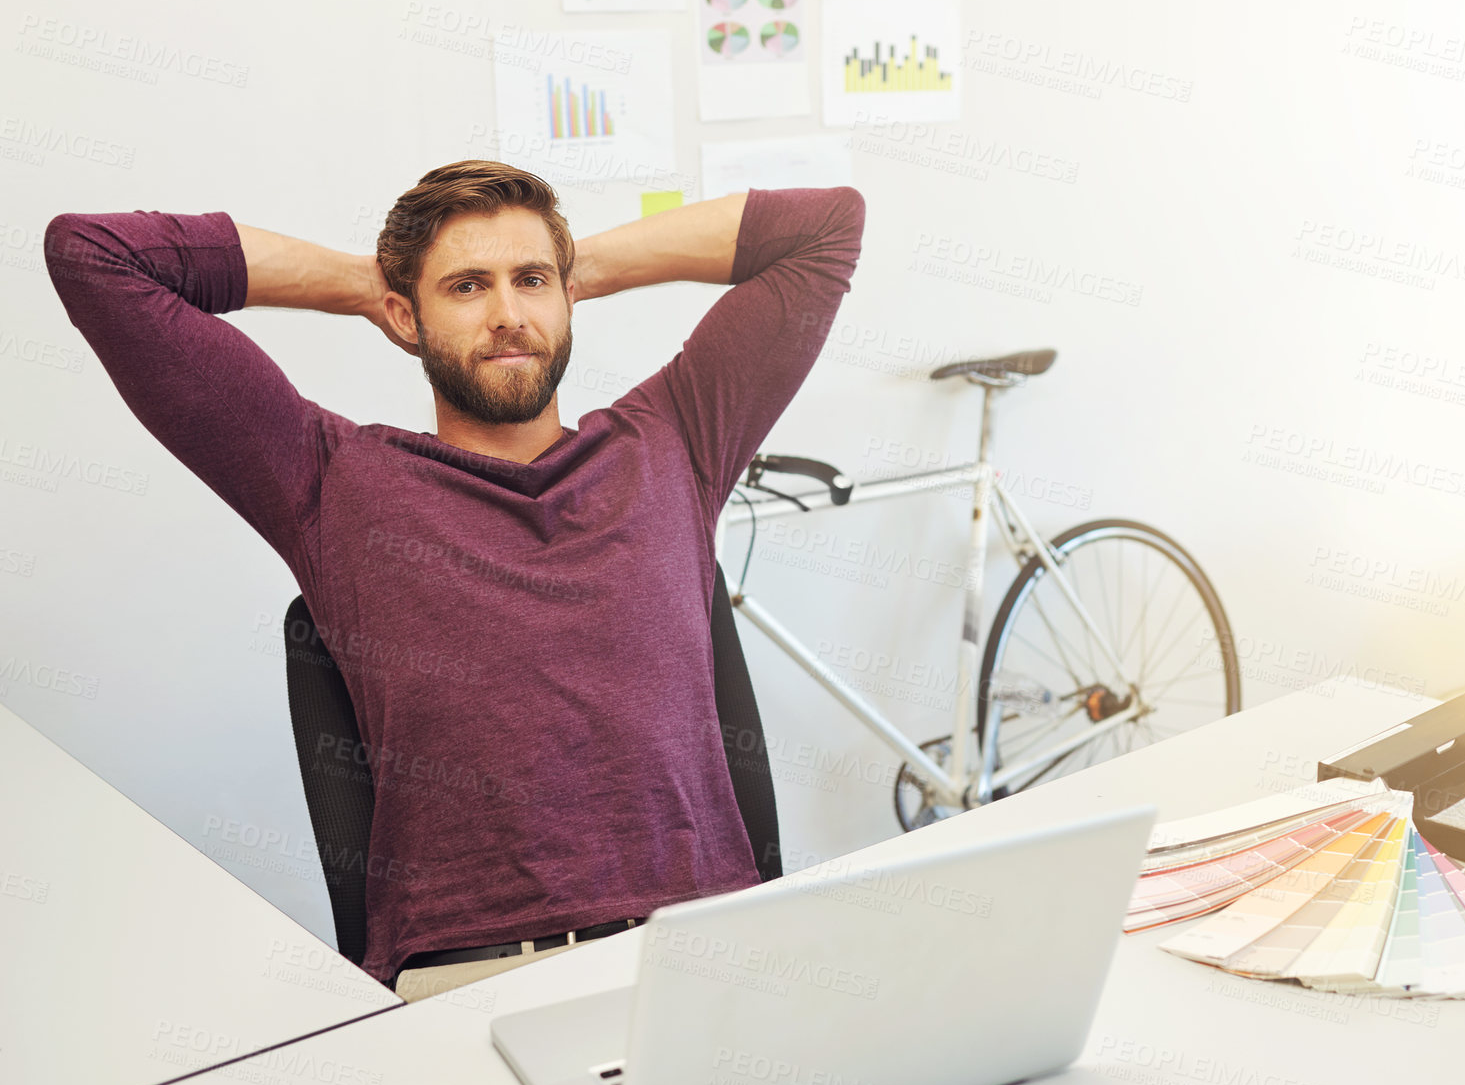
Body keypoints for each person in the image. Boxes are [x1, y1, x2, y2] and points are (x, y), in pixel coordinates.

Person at [42, 160, 866, 1001]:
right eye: (468, 287)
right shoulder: (327, 481)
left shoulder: (674, 441)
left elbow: (827, 225)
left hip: (700, 950)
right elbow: (94, 255)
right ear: (409, 315)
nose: (509, 316)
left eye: (531, 281)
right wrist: (363, 286)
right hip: (473, 980)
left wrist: (581, 268)